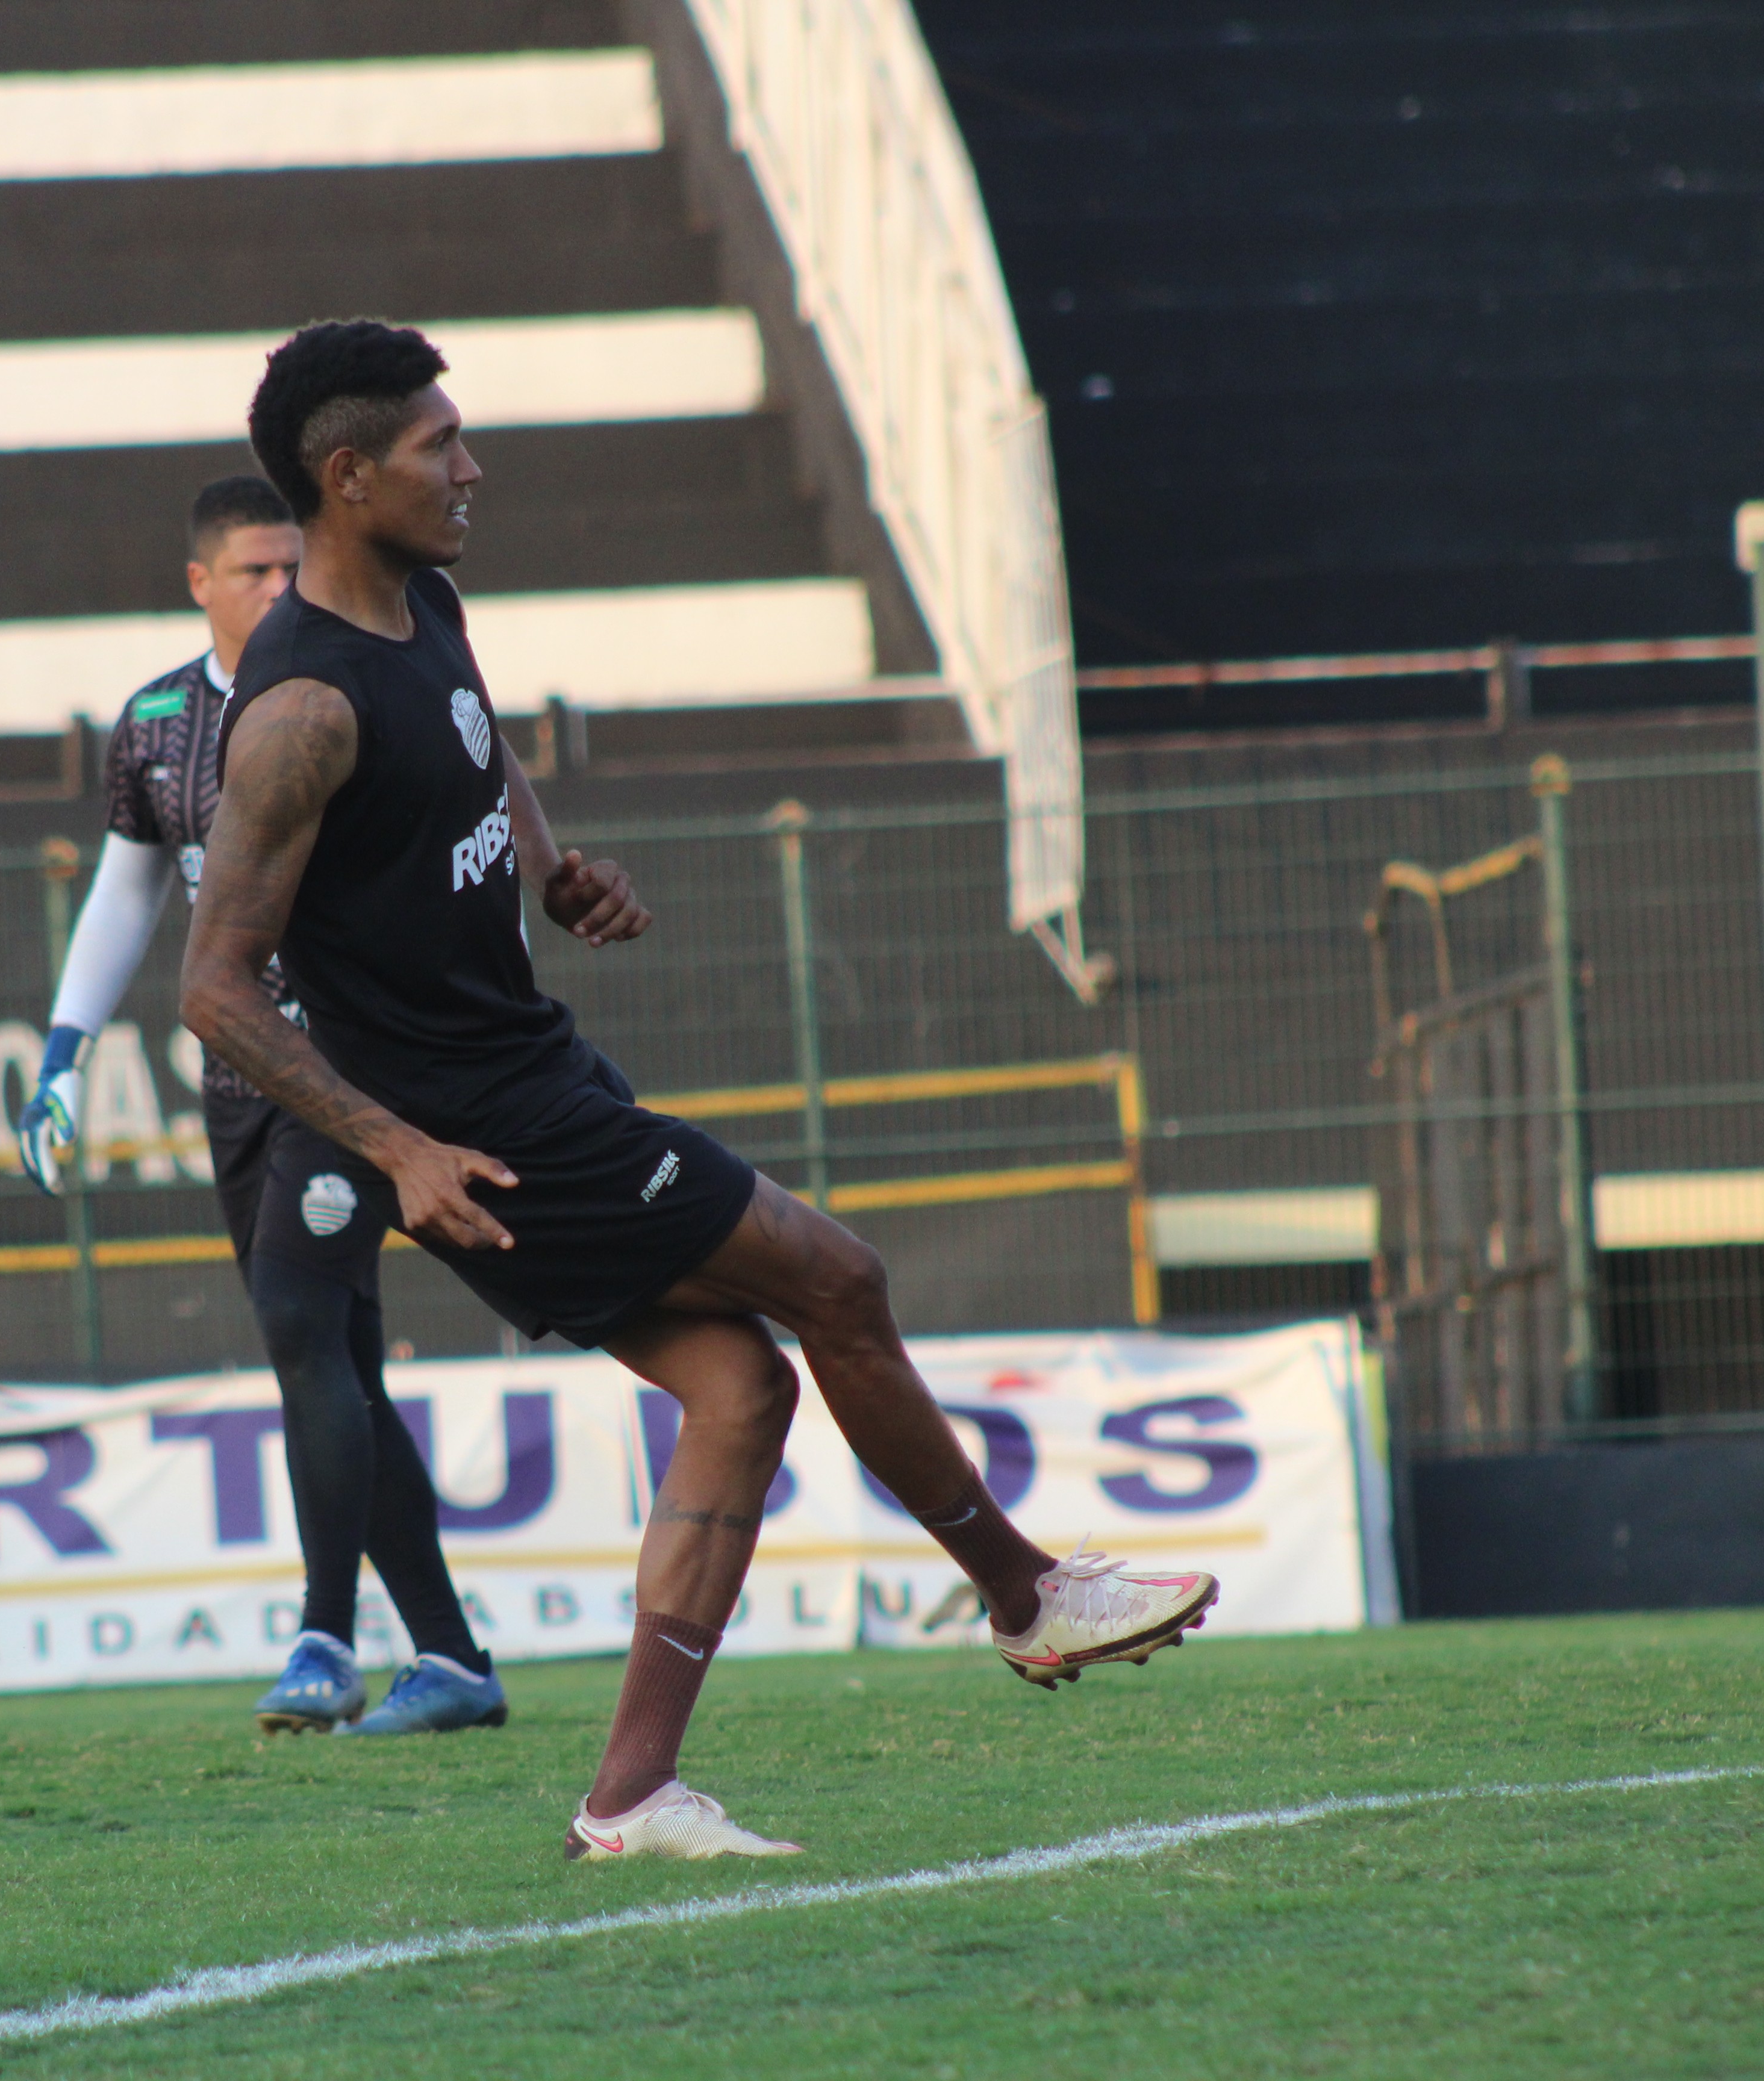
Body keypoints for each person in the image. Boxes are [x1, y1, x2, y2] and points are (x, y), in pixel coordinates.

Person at [181, 322, 1219, 1861]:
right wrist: (401, 1150)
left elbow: (474, 745)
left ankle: (629, 1796)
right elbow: (212, 986)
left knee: (741, 1392)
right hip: (496, 1134)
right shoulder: (300, 714)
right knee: (837, 1280)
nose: (473, 468)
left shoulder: (423, 602)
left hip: (530, 1079)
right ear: (348, 478)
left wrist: (549, 867)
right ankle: (1027, 1592)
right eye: (436, 447)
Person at [16, 474, 508, 1738]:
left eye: (295, 569)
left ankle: (323, 1640)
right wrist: (63, 1052)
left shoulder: (339, 697)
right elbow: (131, 892)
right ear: (201, 583)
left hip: (343, 1068)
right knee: (332, 1360)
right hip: (233, 1077)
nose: (285, 591)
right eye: (256, 573)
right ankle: (450, 1657)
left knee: (299, 1322)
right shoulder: (161, 722)